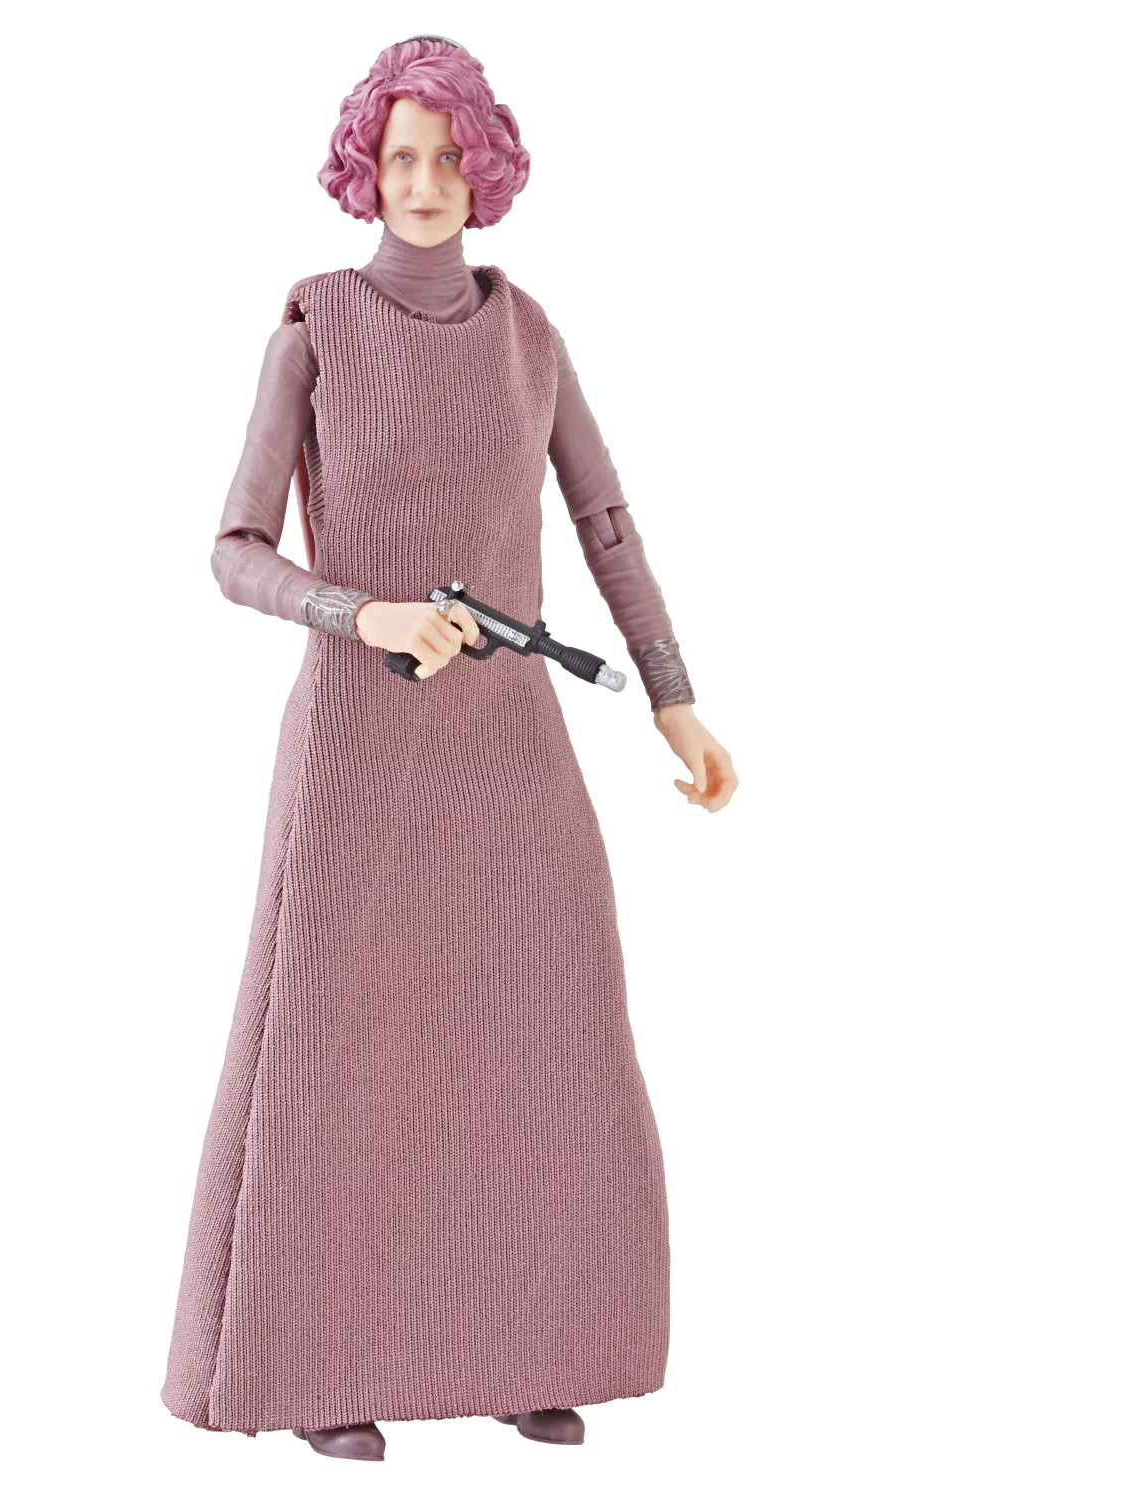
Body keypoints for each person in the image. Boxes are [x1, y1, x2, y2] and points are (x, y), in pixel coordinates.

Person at [162, 35, 738, 1463]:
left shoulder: (529, 336)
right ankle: (316, 1363)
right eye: (399, 157)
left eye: (447, 156)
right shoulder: (313, 329)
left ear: (486, 169)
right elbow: (233, 549)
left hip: (509, 748)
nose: (422, 183)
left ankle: (531, 1344)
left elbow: (606, 526)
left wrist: (672, 696)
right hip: (361, 751)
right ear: (365, 171)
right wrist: (359, 612)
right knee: (341, 1052)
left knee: (541, 1037)